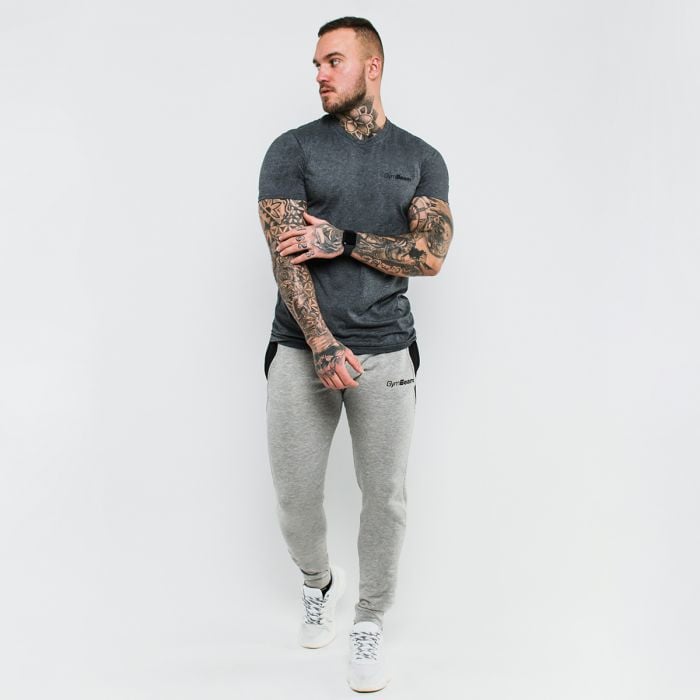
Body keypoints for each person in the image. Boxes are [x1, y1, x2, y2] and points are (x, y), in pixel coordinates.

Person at [257, 16, 453, 693]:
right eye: (316, 63)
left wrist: (343, 239)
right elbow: (286, 256)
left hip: (387, 351)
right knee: (294, 497)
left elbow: (429, 255)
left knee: (385, 496)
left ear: (373, 66)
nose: (319, 74)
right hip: (300, 347)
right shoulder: (291, 149)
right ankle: (319, 583)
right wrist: (321, 343)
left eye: (333, 61)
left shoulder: (421, 158)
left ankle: (369, 618)